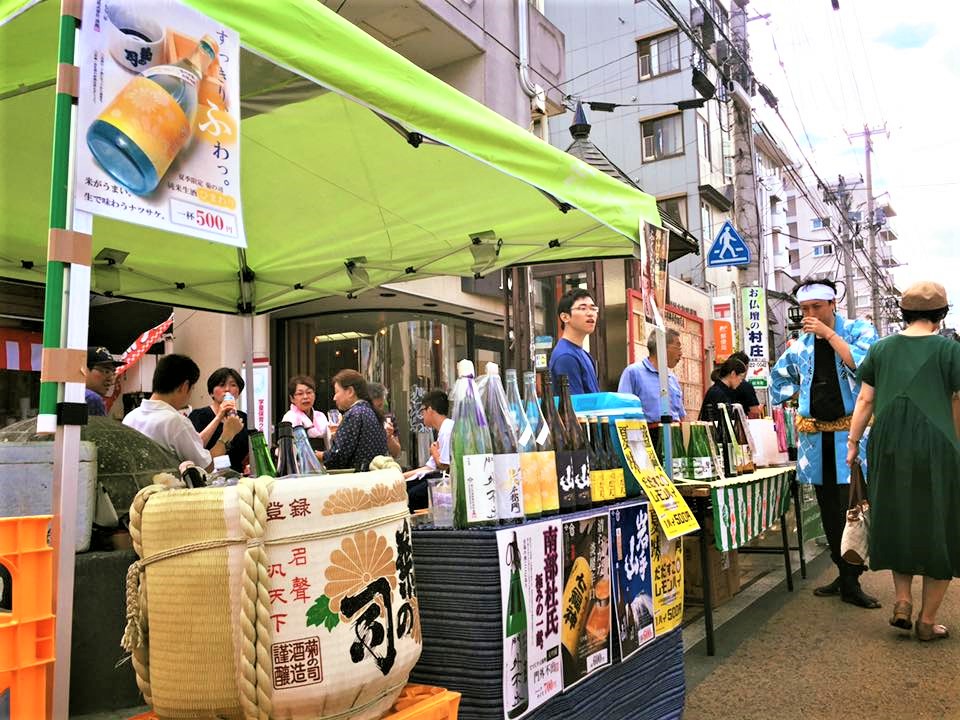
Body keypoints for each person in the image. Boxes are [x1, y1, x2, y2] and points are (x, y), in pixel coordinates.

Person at [846, 281, 960, 640]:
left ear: (903, 313)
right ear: (941, 315)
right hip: (938, 444)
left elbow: (864, 401)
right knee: (941, 522)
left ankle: (901, 601)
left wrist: (852, 443)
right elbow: (957, 403)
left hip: (889, 441)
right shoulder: (950, 351)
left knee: (897, 515)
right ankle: (927, 622)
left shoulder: (881, 349)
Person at [770, 277, 880, 609]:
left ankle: (852, 576)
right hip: (815, 440)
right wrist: (799, 398)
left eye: (817, 307)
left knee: (855, 506)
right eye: (804, 309)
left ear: (833, 304)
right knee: (828, 509)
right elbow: (778, 377)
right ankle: (845, 575)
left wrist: (829, 335)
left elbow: (864, 365)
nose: (810, 314)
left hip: (851, 436)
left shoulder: (858, 330)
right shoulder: (800, 346)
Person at [123, 354, 242, 471]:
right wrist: (227, 435)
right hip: (168, 488)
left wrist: (219, 416)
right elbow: (206, 466)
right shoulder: (176, 422)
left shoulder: (130, 417)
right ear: (184, 387)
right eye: (192, 389)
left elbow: (195, 444)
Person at [321, 369, 388, 472]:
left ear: (350, 392)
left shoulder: (354, 414)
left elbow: (338, 457)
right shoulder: (370, 411)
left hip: (358, 481)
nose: (334, 398)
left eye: (337, 392)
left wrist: (318, 455)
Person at [189, 367, 250, 473]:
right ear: (211, 392)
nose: (227, 389)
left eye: (233, 385)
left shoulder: (244, 418)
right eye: (221, 385)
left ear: (238, 392)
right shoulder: (198, 415)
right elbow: (195, 446)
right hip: (208, 477)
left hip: (237, 478)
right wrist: (219, 416)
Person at [618, 329, 686, 422]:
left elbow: (681, 416)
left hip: (674, 432)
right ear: (661, 347)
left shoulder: (672, 378)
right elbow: (623, 412)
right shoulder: (633, 373)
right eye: (678, 347)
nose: (680, 354)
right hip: (648, 433)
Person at [549, 288, 600, 395]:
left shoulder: (584, 354)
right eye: (582, 308)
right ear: (565, 317)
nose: (590, 313)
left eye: (593, 308)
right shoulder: (566, 357)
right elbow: (575, 406)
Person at [404, 390, 454, 479]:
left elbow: (445, 465)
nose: (422, 415)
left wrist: (434, 452)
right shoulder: (444, 429)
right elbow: (429, 467)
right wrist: (400, 477)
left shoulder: (447, 430)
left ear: (430, 410)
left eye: (422, 411)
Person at [281, 375, 330, 451]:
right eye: (300, 394)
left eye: (309, 392)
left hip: (322, 461)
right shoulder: (289, 418)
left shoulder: (321, 416)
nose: (305, 397)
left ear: (314, 395)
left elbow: (329, 444)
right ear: (292, 398)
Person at [85, 346, 123, 417]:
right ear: (84, 369)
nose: (111, 381)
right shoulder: (92, 398)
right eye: (106, 371)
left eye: (113, 373)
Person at [368, 381, 402, 460]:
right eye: (376, 406)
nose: (380, 410)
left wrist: (389, 437)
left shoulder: (388, 419)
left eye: (381, 405)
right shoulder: (360, 419)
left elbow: (396, 454)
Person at [729, 351, 763, 419]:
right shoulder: (746, 386)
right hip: (743, 425)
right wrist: (760, 408)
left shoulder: (724, 384)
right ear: (746, 367)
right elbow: (754, 412)